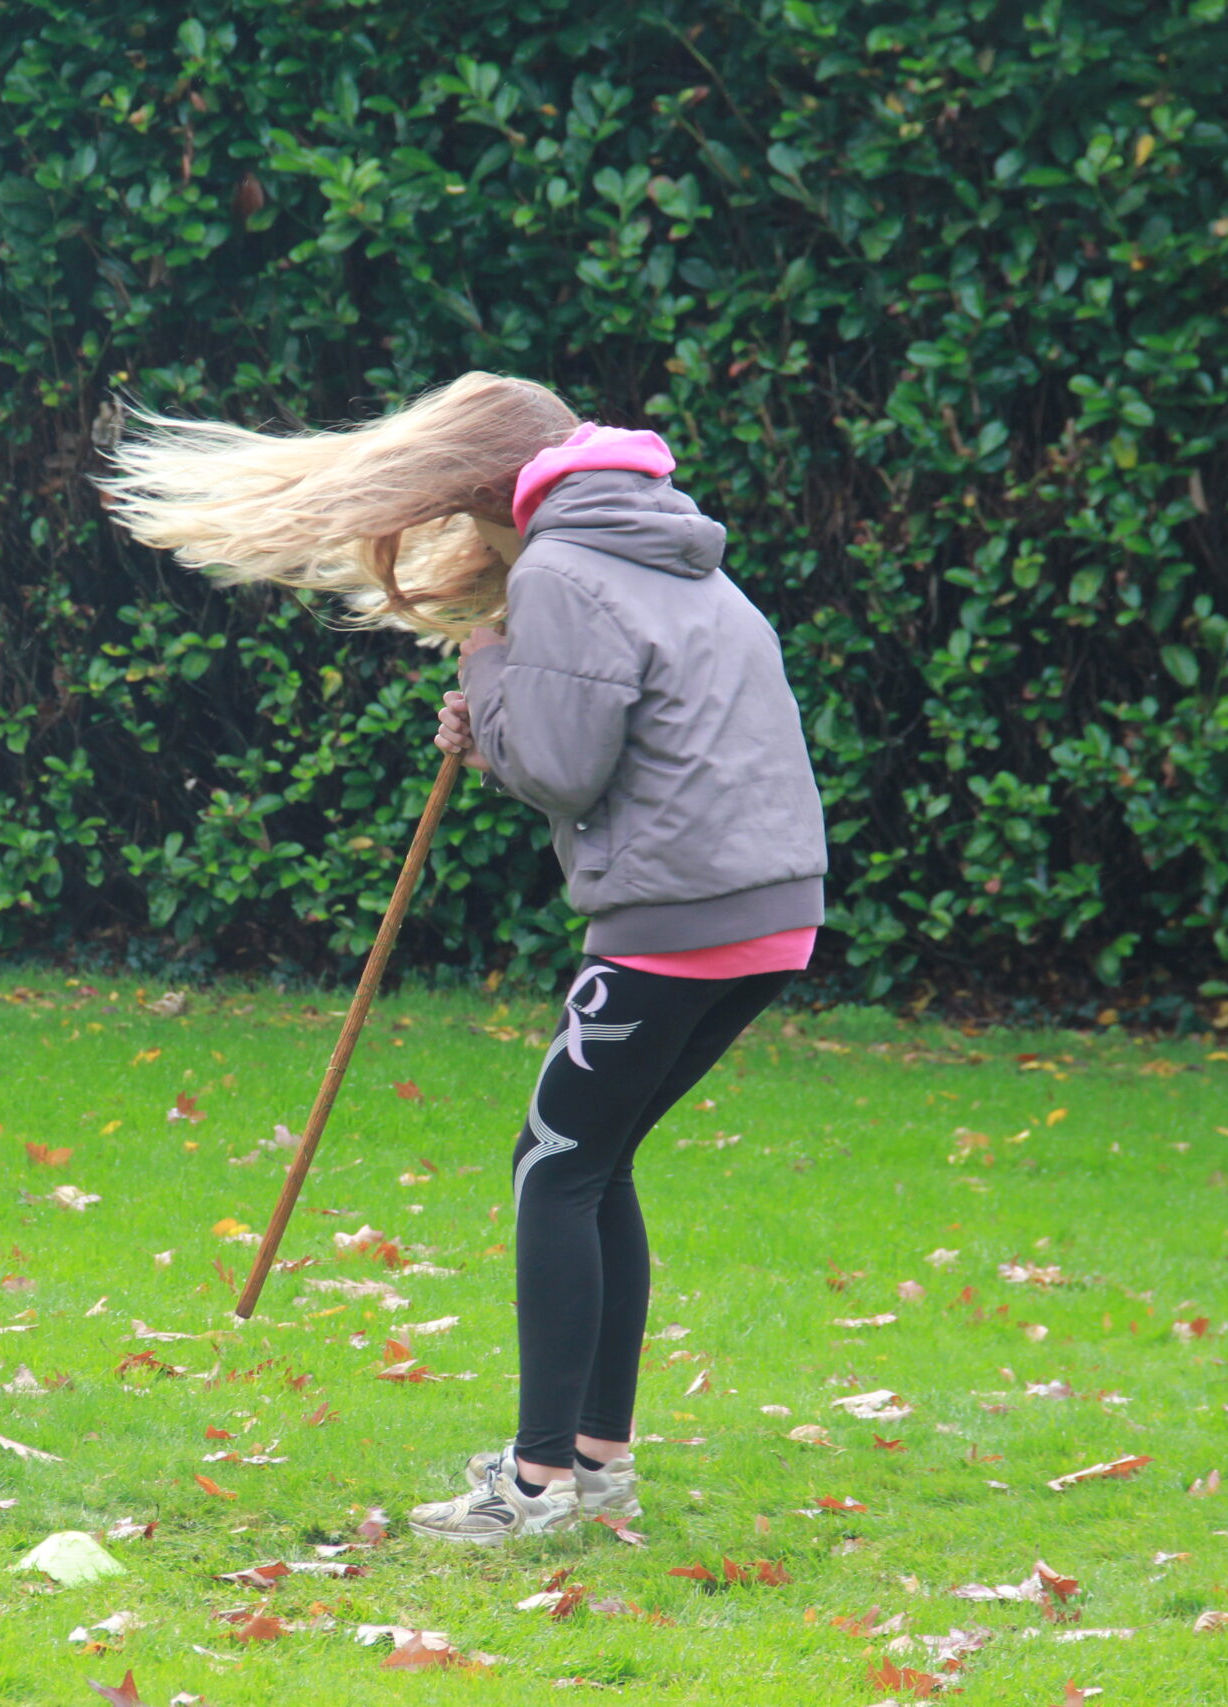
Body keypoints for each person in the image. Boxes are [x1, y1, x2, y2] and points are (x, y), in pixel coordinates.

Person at [100, 373, 829, 1544]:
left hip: (675, 912)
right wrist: (497, 710)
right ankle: (594, 1462)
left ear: (483, 491)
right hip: (768, 910)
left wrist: (486, 675)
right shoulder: (666, 545)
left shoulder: (562, 570)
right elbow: (611, 733)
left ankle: (534, 1485)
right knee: (595, 1161)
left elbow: (562, 771)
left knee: (555, 1166)